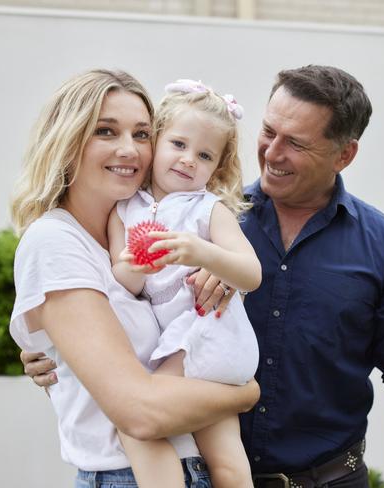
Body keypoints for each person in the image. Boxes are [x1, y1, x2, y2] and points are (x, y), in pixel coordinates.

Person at [23, 65, 384, 488]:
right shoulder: (203, 215)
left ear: (344, 155)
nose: (273, 153)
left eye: (296, 143)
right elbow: (111, 316)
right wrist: (57, 351)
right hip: (203, 469)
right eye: (268, 132)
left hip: (328, 479)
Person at [9, 68, 259, 488]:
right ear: (68, 141)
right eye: (106, 131)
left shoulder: (147, 222)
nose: (130, 149)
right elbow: (138, 412)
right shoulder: (55, 241)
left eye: (141, 134)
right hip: (129, 475)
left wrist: (216, 267)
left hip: (193, 466)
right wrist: (246, 394)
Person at [109, 79, 260, 488]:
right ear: (154, 143)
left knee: (137, 418)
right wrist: (137, 264)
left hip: (207, 335)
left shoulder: (208, 209)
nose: (189, 159)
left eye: (205, 155)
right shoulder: (125, 210)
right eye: (178, 144)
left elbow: (251, 273)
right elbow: (124, 283)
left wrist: (200, 252)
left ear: (217, 168)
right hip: (186, 347)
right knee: (228, 462)